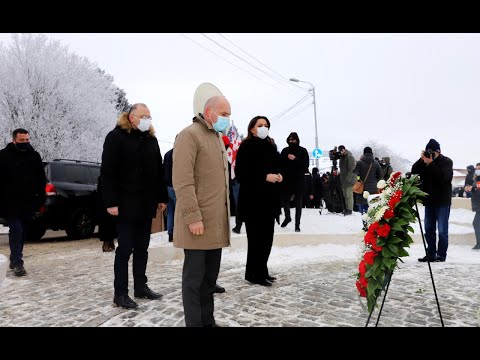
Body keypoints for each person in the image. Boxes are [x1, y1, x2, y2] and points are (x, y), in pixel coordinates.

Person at [100, 103, 168, 309]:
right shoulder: (116, 137)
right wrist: (110, 202)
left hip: (146, 204)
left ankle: (141, 286)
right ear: (131, 117)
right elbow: (108, 172)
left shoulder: (151, 140)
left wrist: (162, 197)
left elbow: (159, 170)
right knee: (125, 248)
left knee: (142, 248)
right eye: (144, 116)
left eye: (150, 116)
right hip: (125, 204)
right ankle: (120, 293)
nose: (148, 119)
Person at [173, 95, 231, 327]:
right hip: (198, 223)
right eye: (224, 114)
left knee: (209, 281)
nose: (227, 119)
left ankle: (208, 321)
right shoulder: (189, 135)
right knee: (194, 281)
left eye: (228, 114)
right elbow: (183, 180)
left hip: (215, 224)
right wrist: (192, 216)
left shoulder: (216, 137)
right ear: (209, 112)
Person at [235, 116, 282, 287]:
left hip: (269, 202)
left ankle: (262, 270)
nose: (264, 128)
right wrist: (264, 177)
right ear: (252, 129)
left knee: (267, 239)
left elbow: (277, 165)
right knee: (256, 240)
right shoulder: (246, 146)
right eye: (260, 125)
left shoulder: (270, 146)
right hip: (253, 202)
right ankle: (253, 273)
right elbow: (241, 174)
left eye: (266, 125)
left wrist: (279, 174)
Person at [0, 128, 46, 277]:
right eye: (22, 141)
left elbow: (41, 179)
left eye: (27, 140)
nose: (25, 143)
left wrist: (41, 199)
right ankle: (18, 262)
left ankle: (15, 258)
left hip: (28, 203)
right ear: (14, 140)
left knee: (23, 231)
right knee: (16, 228)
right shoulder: (3, 156)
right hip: (8, 203)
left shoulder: (34, 156)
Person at [411, 139, 453, 262]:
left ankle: (441, 255)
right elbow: (414, 170)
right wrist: (421, 159)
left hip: (442, 201)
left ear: (438, 152)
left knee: (442, 230)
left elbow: (443, 179)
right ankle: (431, 254)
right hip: (429, 201)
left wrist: (431, 163)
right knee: (429, 229)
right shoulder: (425, 162)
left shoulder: (446, 162)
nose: (430, 155)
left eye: (432, 152)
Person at [279, 132, 309, 232]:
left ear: (297, 140)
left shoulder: (302, 151)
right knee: (284, 201)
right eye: (290, 140)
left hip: (299, 180)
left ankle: (297, 225)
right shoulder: (285, 150)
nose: (292, 142)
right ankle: (288, 217)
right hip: (286, 180)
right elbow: (280, 165)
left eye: (294, 140)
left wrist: (295, 159)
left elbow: (306, 165)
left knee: (298, 203)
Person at [353, 147, 383, 230]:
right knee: (373, 209)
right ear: (371, 153)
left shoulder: (359, 163)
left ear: (363, 153)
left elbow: (355, 174)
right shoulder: (376, 163)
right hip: (373, 191)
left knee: (363, 209)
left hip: (362, 189)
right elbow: (380, 176)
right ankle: (373, 227)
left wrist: (359, 179)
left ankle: (366, 226)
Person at [97, 176, 117, 252]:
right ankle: (107, 243)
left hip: (110, 204)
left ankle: (110, 242)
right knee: (106, 223)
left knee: (111, 224)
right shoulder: (104, 179)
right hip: (105, 205)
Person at [465, 163, 480, 250]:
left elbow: (478, 189)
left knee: (476, 223)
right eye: (476, 168)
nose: (477, 170)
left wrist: (473, 189)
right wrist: (468, 188)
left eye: (479, 168)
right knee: (476, 223)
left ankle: (479, 244)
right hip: (477, 205)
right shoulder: (476, 179)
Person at [338, 145, 356, 216]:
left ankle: (349, 209)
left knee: (349, 195)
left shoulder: (349, 157)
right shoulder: (342, 157)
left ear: (344, 150)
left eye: (341, 151)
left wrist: (348, 179)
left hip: (349, 180)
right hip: (344, 179)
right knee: (345, 195)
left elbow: (352, 169)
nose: (341, 153)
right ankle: (347, 208)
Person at [164, 147, 175, 243]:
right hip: (175, 186)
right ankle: (179, 234)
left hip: (167, 187)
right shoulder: (179, 153)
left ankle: (170, 235)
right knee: (180, 212)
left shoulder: (167, 153)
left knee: (170, 212)